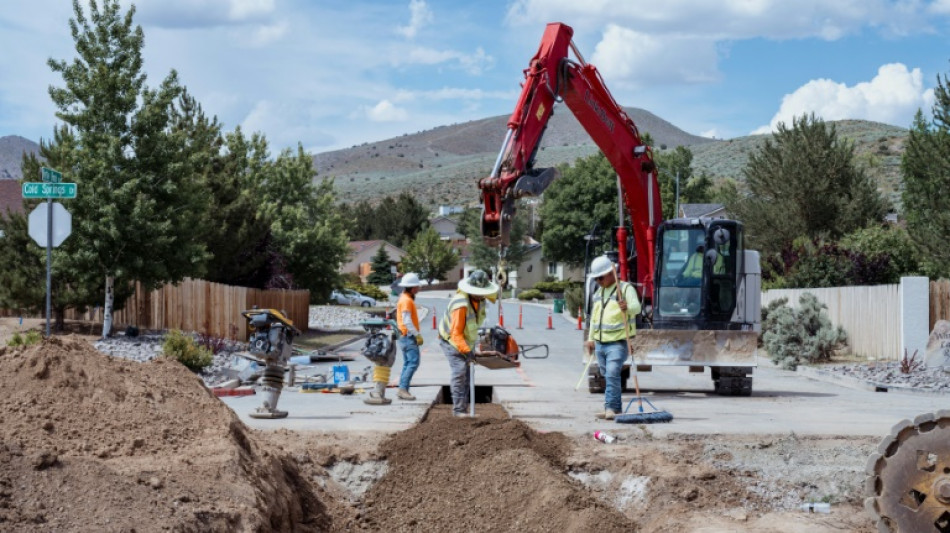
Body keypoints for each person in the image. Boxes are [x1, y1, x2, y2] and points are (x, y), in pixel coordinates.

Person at [583, 255, 641, 420]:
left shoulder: (625, 289)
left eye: (600, 277)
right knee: (606, 373)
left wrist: (627, 307)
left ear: (611, 273)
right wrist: (591, 338)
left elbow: (636, 308)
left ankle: (610, 407)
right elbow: (595, 318)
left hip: (618, 342)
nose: (598, 281)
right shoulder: (599, 292)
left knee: (612, 373)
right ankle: (615, 408)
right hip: (601, 344)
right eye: (596, 278)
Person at [438, 269, 500, 417]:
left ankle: (464, 409)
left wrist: (477, 345)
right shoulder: (460, 304)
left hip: (466, 341)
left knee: (468, 374)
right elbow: (456, 334)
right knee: (459, 372)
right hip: (451, 341)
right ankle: (458, 411)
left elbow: (475, 325)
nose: (481, 294)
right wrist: (467, 352)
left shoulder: (481, 301)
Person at [395, 272, 424, 401]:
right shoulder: (406, 300)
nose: (419, 288)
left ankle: (402, 388)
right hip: (408, 335)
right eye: (417, 286)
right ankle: (403, 389)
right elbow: (407, 320)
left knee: (408, 363)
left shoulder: (404, 298)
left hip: (404, 335)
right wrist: (417, 334)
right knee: (413, 363)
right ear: (412, 288)